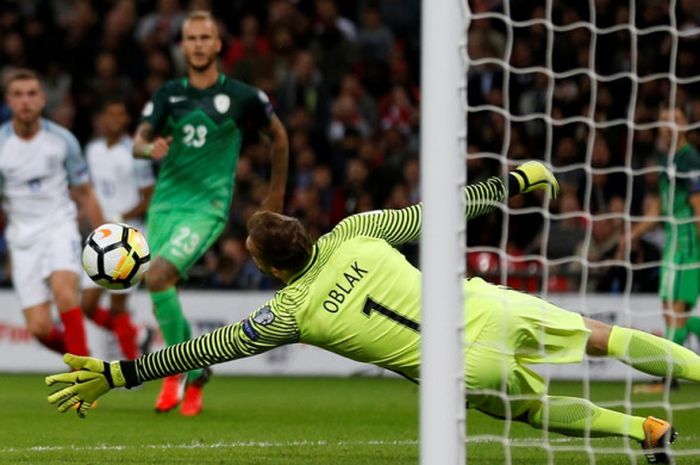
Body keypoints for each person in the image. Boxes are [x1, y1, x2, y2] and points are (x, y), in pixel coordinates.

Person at [47, 162, 692, 464]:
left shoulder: (287, 314)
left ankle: (645, 433)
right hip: (485, 308)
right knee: (601, 337)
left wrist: (117, 375)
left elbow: (198, 352)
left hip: (459, 371)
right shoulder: (358, 229)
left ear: (271, 269)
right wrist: (514, 182)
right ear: (303, 229)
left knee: (530, 411)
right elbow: (448, 207)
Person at [131, 10, 289, 416]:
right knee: (159, 287)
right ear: (182, 46)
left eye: (206, 37)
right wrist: (151, 149)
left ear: (218, 44)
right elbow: (139, 141)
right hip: (165, 204)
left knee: (159, 276)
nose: (198, 44)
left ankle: (173, 371)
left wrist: (275, 198)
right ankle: (198, 369)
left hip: (207, 206)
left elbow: (279, 138)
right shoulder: (169, 94)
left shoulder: (243, 96)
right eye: (191, 38)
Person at [0, 69, 105, 358]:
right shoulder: (1, 145)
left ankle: (83, 379)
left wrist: (106, 238)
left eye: (32, 94)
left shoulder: (62, 140)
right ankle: (84, 358)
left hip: (59, 227)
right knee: (39, 329)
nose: (26, 101)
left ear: (43, 99)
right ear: (8, 101)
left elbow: (85, 192)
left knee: (65, 292)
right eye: (18, 95)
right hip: (22, 238)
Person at [618, 105, 700, 391]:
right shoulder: (668, 159)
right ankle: (671, 377)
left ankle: (666, 378)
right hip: (672, 242)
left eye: (674, 119)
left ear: (686, 124)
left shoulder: (689, 158)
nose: (667, 125)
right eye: (664, 120)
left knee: (678, 310)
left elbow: (698, 206)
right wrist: (633, 234)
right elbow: (660, 208)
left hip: (688, 241)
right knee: (671, 311)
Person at [82, 99, 155, 360]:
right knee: (87, 305)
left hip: (129, 238)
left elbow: (149, 196)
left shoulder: (136, 153)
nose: (115, 120)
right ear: (102, 119)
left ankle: (132, 370)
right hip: (101, 238)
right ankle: (137, 334)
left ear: (126, 120)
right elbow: (91, 191)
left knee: (117, 304)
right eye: (110, 115)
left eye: (120, 115)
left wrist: (120, 215)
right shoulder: (92, 150)